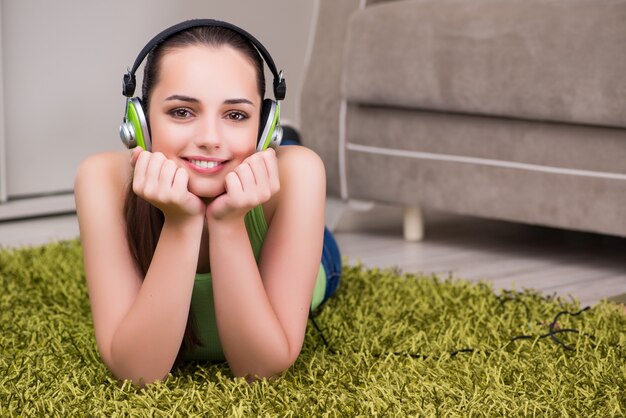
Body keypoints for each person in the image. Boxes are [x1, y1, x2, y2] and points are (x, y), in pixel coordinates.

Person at [74, 19, 340, 386]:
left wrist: (229, 224)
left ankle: (286, 141)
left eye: (235, 115)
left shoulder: (301, 176)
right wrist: (182, 224)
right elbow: (137, 373)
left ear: (264, 127)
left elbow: (261, 369)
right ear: (140, 122)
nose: (210, 138)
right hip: (233, 171)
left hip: (298, 233)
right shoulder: (101, 179)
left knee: (296, 168)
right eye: (182, 111)